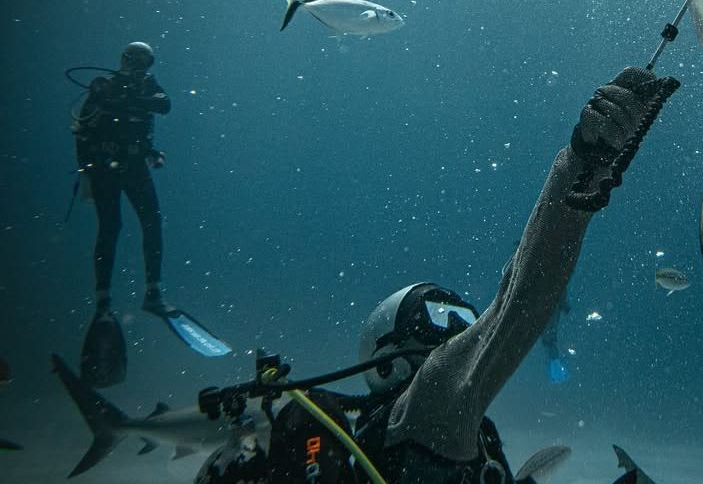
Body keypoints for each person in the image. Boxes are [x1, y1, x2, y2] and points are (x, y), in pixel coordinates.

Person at [196, 66, 678, 484]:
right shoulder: (427, 413)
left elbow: (511, 302)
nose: (451, 341)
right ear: (392, 360)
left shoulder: (421, 437)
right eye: (442, 335)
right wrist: (579, 164)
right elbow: (519, 302)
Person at [73, 42, 173, 318]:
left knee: (152, 223)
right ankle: (103, 300)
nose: (139, 67)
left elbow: (165, 105)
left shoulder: (148, 87)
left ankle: (153, 292)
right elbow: (82, 131)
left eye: (145, 63)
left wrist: (135, 96)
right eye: (135, 61)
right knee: (110, 228)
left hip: (135, 166)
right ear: (124, 60)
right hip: (105, 168)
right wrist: (86, 172)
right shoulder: (104, 87)